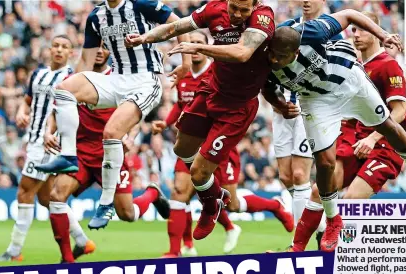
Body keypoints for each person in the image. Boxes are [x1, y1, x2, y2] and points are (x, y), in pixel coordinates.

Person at [261, 9, 406, 252]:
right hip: (322, 106)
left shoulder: (316, 35)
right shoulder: (261, 61)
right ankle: (309, 240)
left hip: (351, 90)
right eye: (354, 32)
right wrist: (281, 106)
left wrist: (384, 34)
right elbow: (266, 88)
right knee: (322, 173)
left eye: (361, 31)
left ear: (295, 51)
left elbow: (399, 112)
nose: (355, 35)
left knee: (385, 129)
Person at [126, 0, 285, 240]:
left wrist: (200, 48)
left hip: (237, 107)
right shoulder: (214, 9)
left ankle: (211, 208)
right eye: (234, 8)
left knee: (198, 173)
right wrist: (146, 37)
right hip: (211, 91)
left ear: (255, 5)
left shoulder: (263, 17)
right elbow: (177, 27)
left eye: (244, 10)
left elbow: (242, 53)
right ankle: (216, 195)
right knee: (181, 148)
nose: (238, 14)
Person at [34, 0, 192, 230]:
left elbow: (180, 23)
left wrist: (186, 62)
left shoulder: (140, 5)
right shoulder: (96, 17)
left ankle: (105, 202)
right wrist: (75, 96)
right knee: (65, 89)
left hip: (145, 81)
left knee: (111, 132)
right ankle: (68, 155)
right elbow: (86, 63)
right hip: (116, 80)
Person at [152, 31, 292, 257]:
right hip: (192, 142)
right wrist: (166, 124)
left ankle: (273, 206)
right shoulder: (184, 76)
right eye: (192, 42)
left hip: (220, 142)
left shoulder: (219, 69)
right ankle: (176, 250)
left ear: (207, 47)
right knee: (180, 192)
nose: (194, 46)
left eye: (199, 43)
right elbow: (181, 105)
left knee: (232, 204)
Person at [45, 44, 170, 263]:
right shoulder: (76, 80)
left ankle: (152, 194)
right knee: (56, 197)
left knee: (127, 214)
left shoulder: (121, 79)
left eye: (105, 47)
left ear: (111, 52)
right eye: (97, 47)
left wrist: (130, 137)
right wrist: (49, 132)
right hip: (81, 153)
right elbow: (56, 110)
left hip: (109, 156)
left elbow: (136, 115)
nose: (100, 51)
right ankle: (67, 260)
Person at [0, 35, 82, 262]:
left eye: (65, 47)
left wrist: (56, 134)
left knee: (24, 191)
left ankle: (14, 250)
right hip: (34, 139)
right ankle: (82, 240)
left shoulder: (71, 77)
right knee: (47, 199)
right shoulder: (38, 74)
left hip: (47, 143)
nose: (59, 50)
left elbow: (71, 112)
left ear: (71, 53)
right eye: (56, 46)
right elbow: (27, 100)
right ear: (49, 50)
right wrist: (22, 112)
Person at [273, 0, 345, 251]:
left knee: (300, 174)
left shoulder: (332, 29)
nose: (305, 1)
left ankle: (296, 244)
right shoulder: (288, 28)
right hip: (282, 109)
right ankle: (319, 221)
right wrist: (275, 99)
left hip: (310, 107)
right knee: (285, 176)